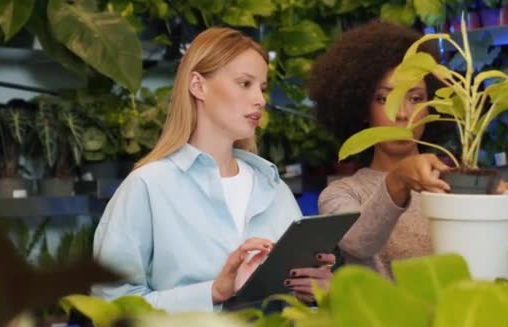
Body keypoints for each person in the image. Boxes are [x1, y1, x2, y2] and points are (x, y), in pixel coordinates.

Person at [92, 27, 333, 312]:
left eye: (262, 87)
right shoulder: (147, 187)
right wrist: (213, 292)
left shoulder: (274, 187)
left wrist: (314, 294)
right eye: (245, 84)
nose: (260, 99)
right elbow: (112, 309)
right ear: (198, 85)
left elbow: (302, 313)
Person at [307, 21, 508, 278]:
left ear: (432, 105)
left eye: (415, 98)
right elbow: (359, 242)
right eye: (384, 98)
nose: (403, 114)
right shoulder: (342, 193)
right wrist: (398, 181)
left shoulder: (460, 185)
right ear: (360, 107)